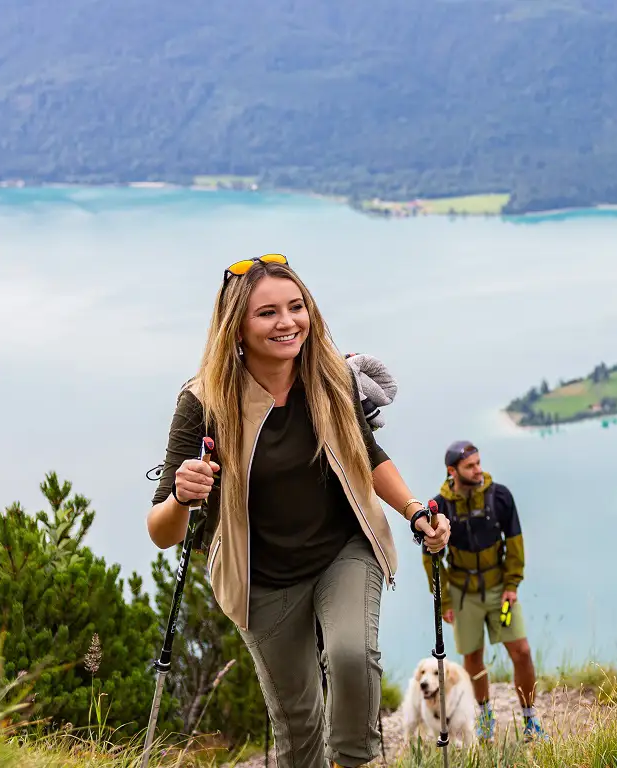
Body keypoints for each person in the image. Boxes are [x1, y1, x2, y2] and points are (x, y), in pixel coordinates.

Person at [146, 253, 451, 768]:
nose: (288, 322)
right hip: (260, 580)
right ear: (235, 327)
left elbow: (366, 455)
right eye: (267, 313)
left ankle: (353, 760)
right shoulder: (204, 402)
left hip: (342, 552)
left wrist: (416, 512)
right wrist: (181, 495)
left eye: (296, 307)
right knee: (298, 728)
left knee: (353, 657)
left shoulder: (329, 377)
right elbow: (162, 532)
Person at [424, 440, 544, 742]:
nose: (478, 469)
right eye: (470, 466)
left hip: (499, 592)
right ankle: (486, 716)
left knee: (522, 652)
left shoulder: (500, 497)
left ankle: (530, 719)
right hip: (464, 596)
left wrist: (512, 584)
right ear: (453, 471)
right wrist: (446, 601)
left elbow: (515, 541)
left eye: (478, 463)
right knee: (473, 658)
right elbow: (431, 557)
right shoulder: (441, 507)